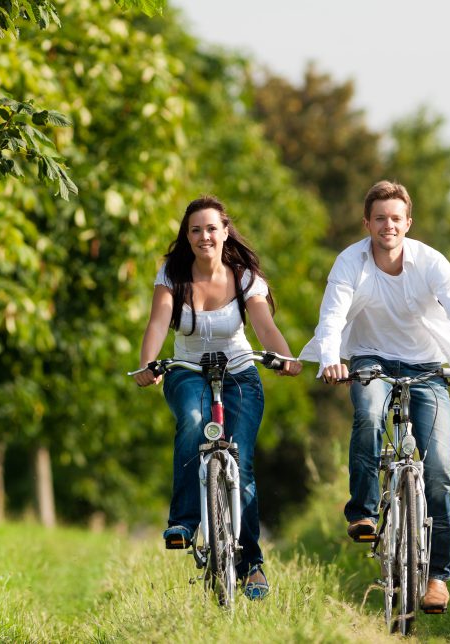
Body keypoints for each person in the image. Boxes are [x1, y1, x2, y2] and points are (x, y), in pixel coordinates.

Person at [299, 180, 450, 612]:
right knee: (367, 414)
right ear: (367, 223)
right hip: (370, 361)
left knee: (439, 468)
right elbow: (332, 316)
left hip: (427, 367)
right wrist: (331, 359)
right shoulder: (351, 262)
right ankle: (363, 513)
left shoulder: (430, 262)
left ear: (408, 223)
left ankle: (438, 578)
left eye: (396, 218)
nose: (388, 226)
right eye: (379, 218)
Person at [133, 195, 302, 600]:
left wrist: (285, 357)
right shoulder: (172, 274)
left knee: (239, 463)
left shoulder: (244, 277)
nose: (204, 236)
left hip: (240, 374)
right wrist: (147, 364)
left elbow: (263, 325)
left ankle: (253, 565)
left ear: (225, 232)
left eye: (211, 228)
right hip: (188, 372)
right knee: (193, 422)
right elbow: (158, 323)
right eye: (195, 229)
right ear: (187, 236)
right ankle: (185, 522)